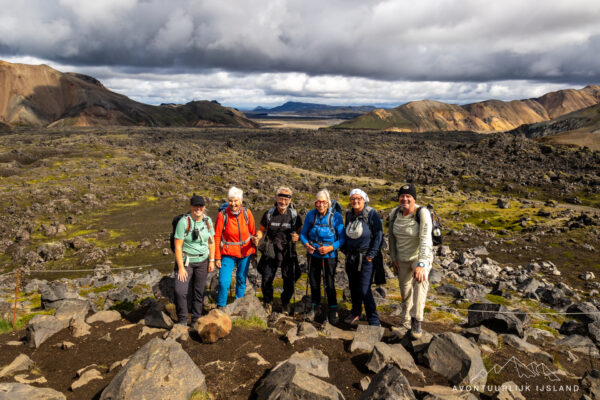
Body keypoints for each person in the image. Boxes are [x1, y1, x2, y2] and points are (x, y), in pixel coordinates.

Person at [388, 183, 433, 339]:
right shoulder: (394, 213)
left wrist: (421, 264)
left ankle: (416, 320)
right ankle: (405, 320)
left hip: (419, 256)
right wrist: (393, 258)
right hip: (401, 258)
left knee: (421, 281)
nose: (405, 199)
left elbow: (426, 239)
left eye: (408, 196)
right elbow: (391, 238)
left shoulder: (422, 213)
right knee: (405, 289)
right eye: (402, 196)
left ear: (414, 199)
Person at [253, 186, 302, 315]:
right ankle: (268, 302)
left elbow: (301, 232)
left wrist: (298, 237)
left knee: (289, 279)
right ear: (276, 198)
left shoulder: (295, 216)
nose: (283, 202)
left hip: (288, 251)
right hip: (270, 250)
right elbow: (262, 229)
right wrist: (258, 236)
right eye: (281, 199)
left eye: (286, 199)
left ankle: (285, 302)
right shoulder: (269, 214)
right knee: (266, 278)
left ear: (290, 200)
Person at [300, 189, 345, 324]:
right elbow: (303, 234)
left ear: (328, 203)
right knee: (314, 282)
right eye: (318, 202)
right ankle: (314, 307)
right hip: (313, 254)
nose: (320, 205)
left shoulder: (336, 216)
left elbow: (342, 238)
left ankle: (333, 309)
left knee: (329, 283)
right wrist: (306, 245)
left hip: (329, 255)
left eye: (323, 202)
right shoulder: (310, 215)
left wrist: (330, 248)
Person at [173, 194, 215, 325]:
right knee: (180, 291)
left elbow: (211, 242)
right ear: (191, 207)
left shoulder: (207, 221)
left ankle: (196, 320)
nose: (198, 208)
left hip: (203, 261)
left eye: (201, 206)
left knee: (199, 291)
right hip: (186, 262)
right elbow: (178, 246)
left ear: (204, 207)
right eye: (195, 206)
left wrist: (212, 260)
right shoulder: (183, 222)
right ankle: (182, 320)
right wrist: (181, 267)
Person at [343, 189, 383, 326]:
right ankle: (355, 313)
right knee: (353, 287)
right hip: (351, 258)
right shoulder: (349, 215)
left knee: (365, 289)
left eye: (358, 198)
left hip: (366, 258)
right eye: (353, 198)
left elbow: (379, 236)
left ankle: (374, 321)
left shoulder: (371, 214)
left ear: (364, 199)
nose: (355, 201)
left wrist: (371, 255)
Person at [214, 187, 256, 308]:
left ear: (241, 201)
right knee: (223, 281)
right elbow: (217, 237)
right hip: (228, 253)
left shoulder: (248, 214)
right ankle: (221, 306)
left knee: (241, 279)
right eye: (230, 201)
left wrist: (253, 252)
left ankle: (239, 305)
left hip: (246, 253)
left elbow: (252, 234)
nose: (233, 204)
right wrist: (217, 257)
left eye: (236, 201)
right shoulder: (222, 215)